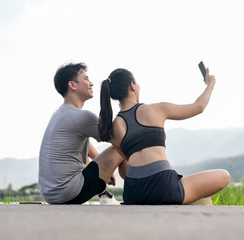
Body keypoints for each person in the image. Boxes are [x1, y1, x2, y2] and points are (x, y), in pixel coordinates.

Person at [98, 67, 230, 205]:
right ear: (132, 86)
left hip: (133, 192)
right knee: (224, 175)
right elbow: (199, 107)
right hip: (163, 186)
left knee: (199, 198)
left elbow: (126, 165)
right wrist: (210, 84)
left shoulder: (112, 128)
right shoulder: (155, 109)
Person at [38, 62, 128, 205]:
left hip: (51, 194)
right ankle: (138, 190)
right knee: (124, 147)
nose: (91, 83)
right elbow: (121, 140)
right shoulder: (81, 117)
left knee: (84, 155)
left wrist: (102, 164)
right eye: (86, 79)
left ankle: (105, 195)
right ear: (73, 85)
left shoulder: (62, 114)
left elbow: (87, 145)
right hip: (69, 192)